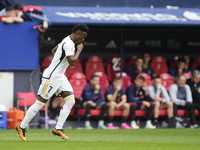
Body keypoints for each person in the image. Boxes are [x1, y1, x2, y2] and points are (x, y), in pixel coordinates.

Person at [16, 23, 89, 141]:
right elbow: (72, 62)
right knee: (40, 103)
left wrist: (59, 67)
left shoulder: (66, 39)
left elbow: (53, 50)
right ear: (77, 34)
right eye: (83, 37)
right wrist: (79, 50)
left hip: (60, 76)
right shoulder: (69, 44)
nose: (83, 39)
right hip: (51, 77)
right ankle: (21, 126)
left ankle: (58, 128)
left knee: (70, 101)